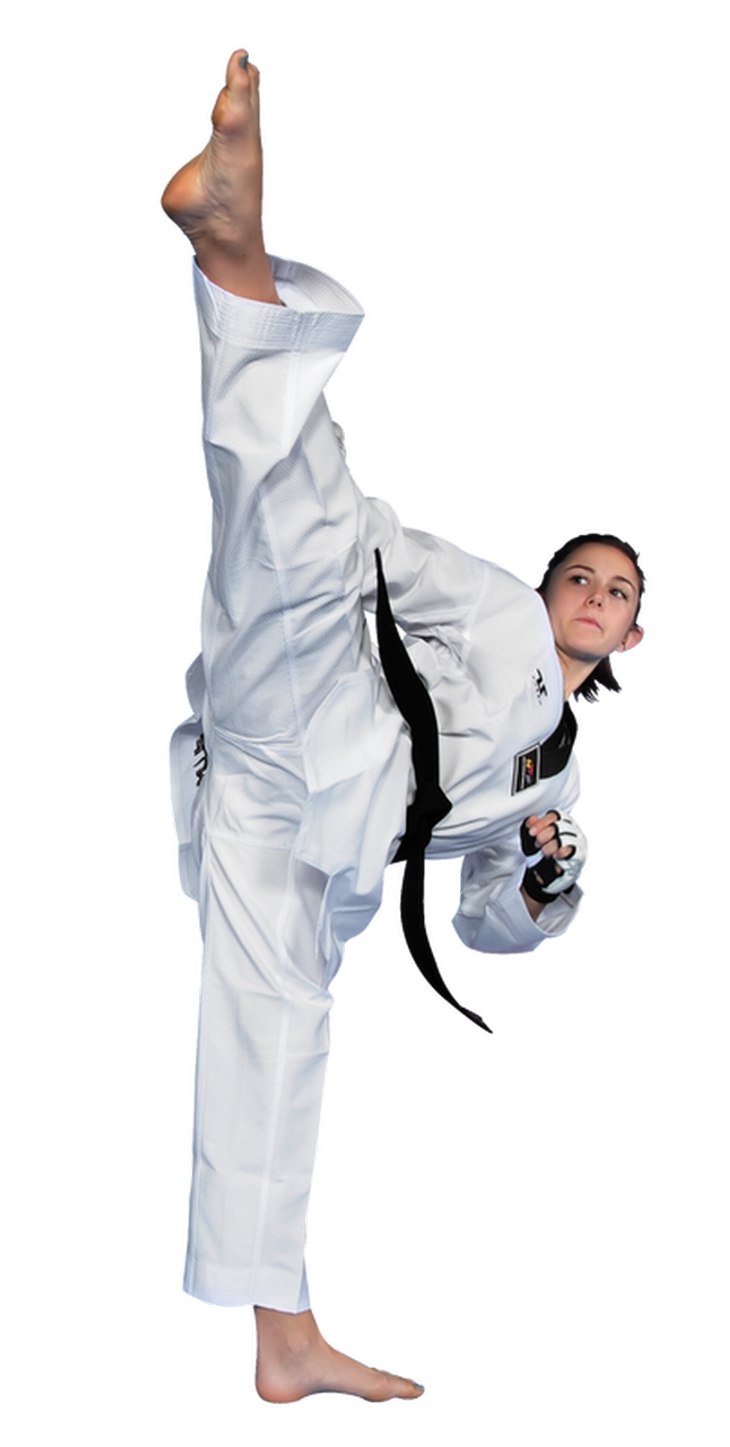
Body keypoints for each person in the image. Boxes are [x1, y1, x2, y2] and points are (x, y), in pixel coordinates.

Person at [161, 50, 644, 1403]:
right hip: (316, 705)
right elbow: (375, 547)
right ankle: (232, 242)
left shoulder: (557, 784)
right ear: (549, 588)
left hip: (315, 847)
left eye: (619, 593)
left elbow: (494, 922)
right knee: (305, 515)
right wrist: (323, 548)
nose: (594, 596)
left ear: (630, 639)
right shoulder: (495, 611)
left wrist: (545, 885)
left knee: (274, 1053)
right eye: (583, 576)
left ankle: (284, 1344)